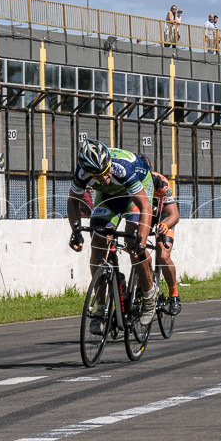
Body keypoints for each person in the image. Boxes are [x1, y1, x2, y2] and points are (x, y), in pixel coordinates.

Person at [67, 139, 158, 327]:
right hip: (109, 196)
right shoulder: (82, 174)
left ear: (110, 163)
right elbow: (73, 201)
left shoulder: (122, 168)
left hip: (137, 189)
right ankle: (100, 307)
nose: (105, 177)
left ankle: (149, 296)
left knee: (134, 243)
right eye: (98, 175)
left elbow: (145, 207)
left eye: (106, 171)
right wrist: (75, 230)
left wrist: (141, 241)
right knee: (98, 245)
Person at [140, 155, 182, 315]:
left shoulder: (161, 182)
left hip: (163, 216)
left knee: (163, 256)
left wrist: (164, 225)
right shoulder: (130, 181)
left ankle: (174, 294)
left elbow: (175, 215)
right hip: (145, 215)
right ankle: (142, 287)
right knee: (136, 249)